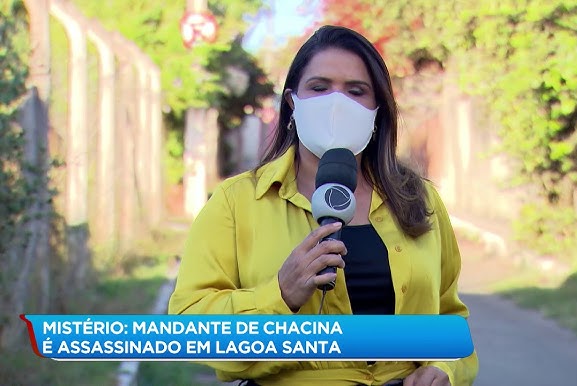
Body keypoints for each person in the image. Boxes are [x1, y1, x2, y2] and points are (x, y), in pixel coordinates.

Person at [168, 25, 479, 386]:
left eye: (356, 91)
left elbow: (452, 321)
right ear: (292, 104)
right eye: (319, 87)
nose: (337, 103)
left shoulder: (418, 199)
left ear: (377, 110)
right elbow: (190, 330)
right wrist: (280, 295)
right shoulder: (236, 203)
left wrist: (445, 369)